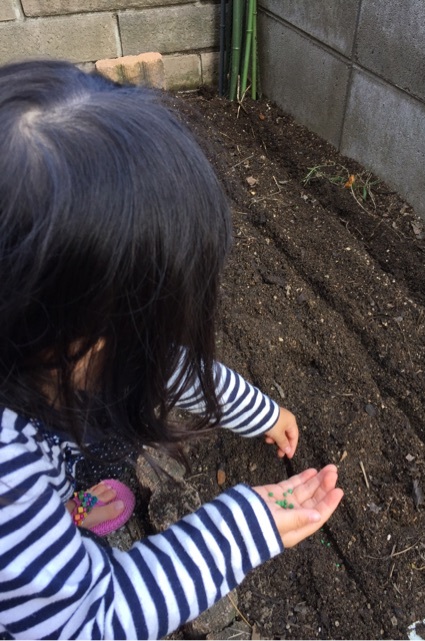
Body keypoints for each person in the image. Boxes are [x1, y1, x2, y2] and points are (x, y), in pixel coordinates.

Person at [0, 59, 343, 640]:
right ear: (70, 333)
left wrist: (265, 414)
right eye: (147, 327)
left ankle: (52, 533)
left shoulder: (39, 334)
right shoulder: (6, 478)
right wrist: (248, 525)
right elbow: (88, 623)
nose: (161, 346)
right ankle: (51, 545)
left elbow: (171, 371)